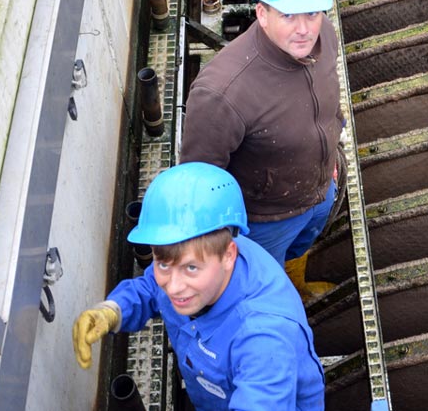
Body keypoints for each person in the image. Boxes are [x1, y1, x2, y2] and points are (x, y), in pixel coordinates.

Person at [72, 162, 325, 411]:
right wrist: (113, 310)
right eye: (163, 265)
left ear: (228, 255)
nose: (173, 287)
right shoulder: (205, 255)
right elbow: (151, 288)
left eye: (191, 268)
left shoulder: (263, 340)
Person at [179, 0, 343, 301]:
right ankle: (276, 298)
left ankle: (296, 286)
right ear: (261, 13)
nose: (304, 29)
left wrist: (330, 153)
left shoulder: (324, 36)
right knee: (261, 282)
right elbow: (199, 182)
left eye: (312, 12)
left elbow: (330, 102)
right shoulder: (222, 93)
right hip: (266, 221)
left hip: (319, 193)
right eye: (288, 14)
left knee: (304, 242)